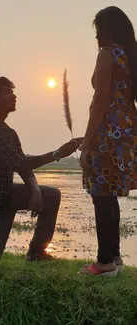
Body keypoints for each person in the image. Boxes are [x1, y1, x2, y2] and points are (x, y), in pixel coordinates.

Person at [0, 76, 83, 264]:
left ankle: (37, 252)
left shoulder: (9, 132)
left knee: (51, 195)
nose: (13, 96)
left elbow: (24, 169)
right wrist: (58, 153)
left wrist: (35, 190)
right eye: (7, 92)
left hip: (7, 193)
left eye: (13, 91)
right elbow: (19, 162)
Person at [80, 6, 137, 276]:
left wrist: (87, 141)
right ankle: (114, 258)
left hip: (106, 133)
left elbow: (101, 99)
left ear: (107, 29)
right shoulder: (127, 56)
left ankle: (104, 263)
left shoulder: (106, 54)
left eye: (97, 29)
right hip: (124, 132)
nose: (95, 37)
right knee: (109, 193)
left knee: (101, 195)